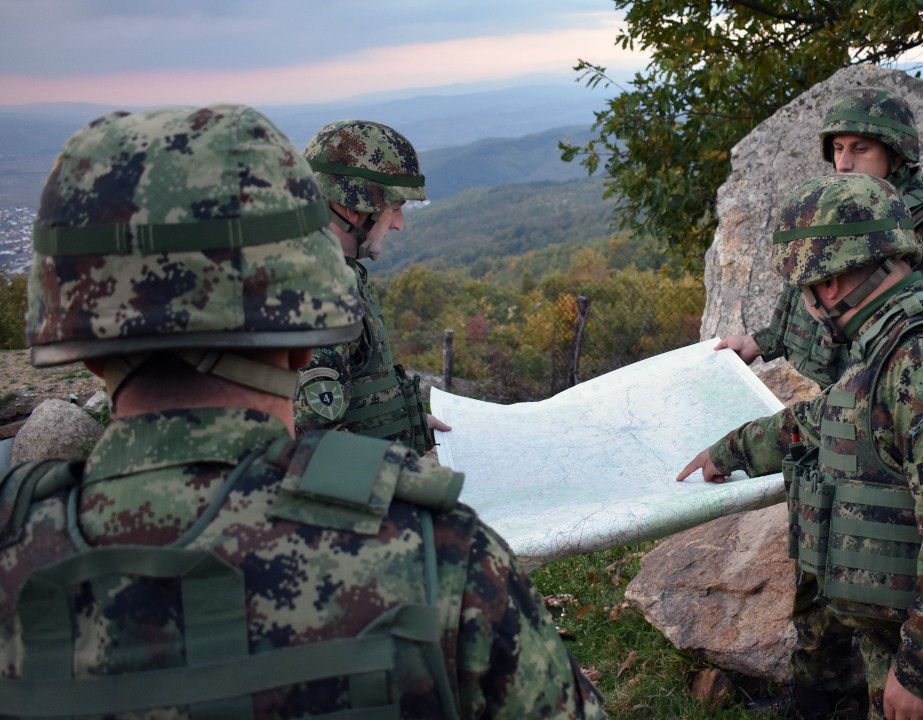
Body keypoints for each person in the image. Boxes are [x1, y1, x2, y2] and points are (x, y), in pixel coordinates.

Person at [0, 104, 605, 720]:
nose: (398, 225)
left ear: (84, 348)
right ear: (305, 329)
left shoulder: (14, 548)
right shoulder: (442, 567)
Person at [682, 174, 923, 719]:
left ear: (830, 286)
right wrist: (731, 451)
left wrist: (917, 671)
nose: (807, 307)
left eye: (805, 290)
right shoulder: (899, 338)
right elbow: (834, 417)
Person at [717, 87, 923, 390]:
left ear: (897, 153)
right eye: (838, 149)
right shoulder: (839, 209)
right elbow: (804, 288)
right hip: (826, 396)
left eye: (860, 149)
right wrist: (756, 343)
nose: (843, 164)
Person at [293, 119, 449, 456]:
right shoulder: (318, 293)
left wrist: (414, 424)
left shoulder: (337, 273)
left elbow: (354, 402)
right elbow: (315, 442)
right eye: (394, 209)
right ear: (354, 209)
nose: (399, 224)